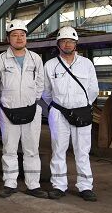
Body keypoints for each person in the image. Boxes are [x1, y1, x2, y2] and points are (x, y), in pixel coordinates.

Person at [42, 26, 99, 202]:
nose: (67, 44)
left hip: (82, 112)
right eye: (64, 41)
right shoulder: (50, 65)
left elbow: (93, 89)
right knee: (58, 149)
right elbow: (46, 92)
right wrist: (58, 106)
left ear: (76, 44)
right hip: (59, 113)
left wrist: (82, 105)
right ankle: (59, 186)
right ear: (58, 44)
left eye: (71, 41)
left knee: (82, 151)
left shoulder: (86, 64)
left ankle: (85, 187)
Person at [0, 19, 47, 199]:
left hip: (31, 109)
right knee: (9, 149)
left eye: (22, 35)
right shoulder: (0, 60)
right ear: (8, 38)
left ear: (26, 38)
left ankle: (33, 185)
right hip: (8, 111)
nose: (19, 38)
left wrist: (32, 99)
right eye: (15, 35)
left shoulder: (35, 59)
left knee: (31, 149)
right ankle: (10, 183)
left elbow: (40, 83)